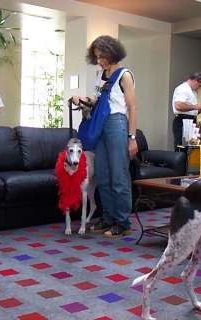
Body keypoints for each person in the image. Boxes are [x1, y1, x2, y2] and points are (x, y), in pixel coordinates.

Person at [71, 35, 138, 238]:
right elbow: (96, 99)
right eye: (97, 57)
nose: (100, 60)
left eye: (102, 56)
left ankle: (123, 222)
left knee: (119, 176)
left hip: (117, 123)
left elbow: (132, 107)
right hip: (100, 125)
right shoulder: (101, 74)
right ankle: (108, 218)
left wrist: (132, 137)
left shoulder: (124, 75)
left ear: (112, 52)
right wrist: (82, 99)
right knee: (103, 175)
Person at [171, 72, 201, 147]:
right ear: (196, 80)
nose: (199, 88)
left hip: (191, 120)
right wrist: (196, 106)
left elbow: (192, 112)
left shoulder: (193, 92)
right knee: (182, 146)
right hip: (182, 121)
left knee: (192, 146)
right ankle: (181, 158)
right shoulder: (183, 89)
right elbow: (178, 105)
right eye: (199, 85)